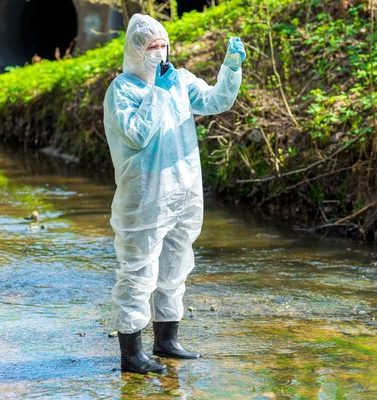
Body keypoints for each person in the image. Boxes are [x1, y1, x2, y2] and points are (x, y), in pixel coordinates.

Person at [102, 13, 245, 374]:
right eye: (151, 46)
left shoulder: (178, 80)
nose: (159, 52)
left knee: (175, 268)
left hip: (183, 192)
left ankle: (166, 341)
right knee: (138, 272)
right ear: (136, 49)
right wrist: (158, 94)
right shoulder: (122, 90)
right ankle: (131, 355)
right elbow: (137, 134)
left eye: (163, 45)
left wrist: (230, 69)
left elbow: (216, 102)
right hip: (145, 197)